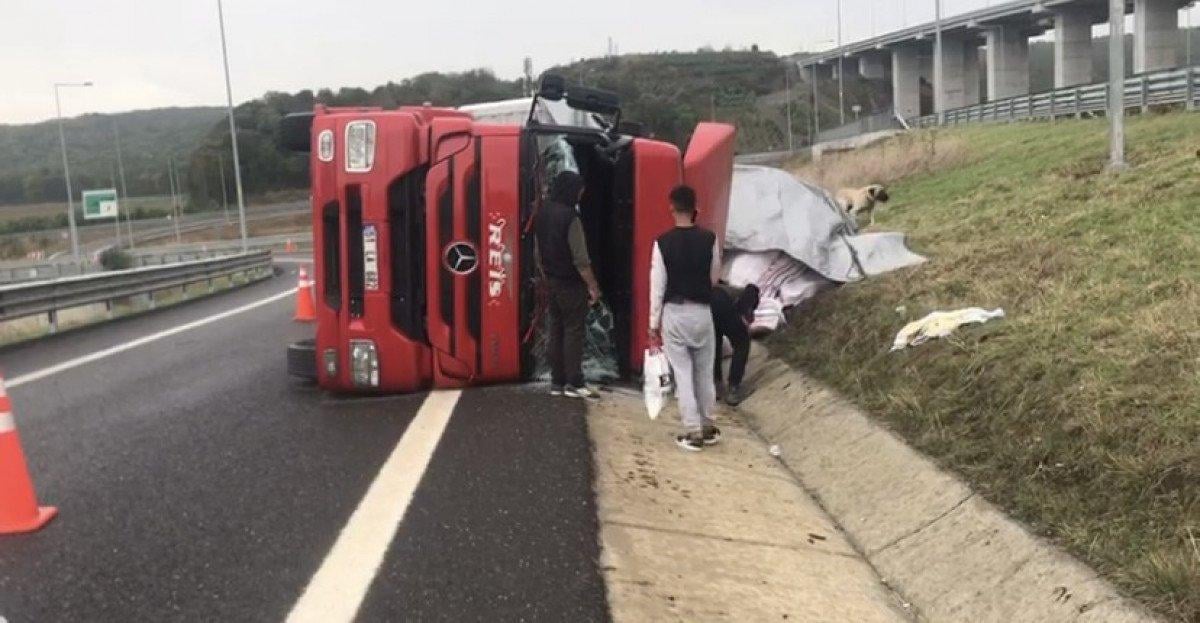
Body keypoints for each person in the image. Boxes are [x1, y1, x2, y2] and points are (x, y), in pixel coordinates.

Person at [649, 185, 722, 451]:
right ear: (695, 208)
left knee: (683, 373)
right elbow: (714, 277)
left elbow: (657, 287)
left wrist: (653, 324)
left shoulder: (662, 243)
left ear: (671, 207)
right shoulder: (710, 239)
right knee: (704, 372)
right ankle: (708, 424)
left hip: (675, 313)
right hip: (702, 312)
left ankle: (692, 431)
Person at [535, 171, 602, 399]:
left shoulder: (544, 212)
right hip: (571, 284)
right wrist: (593, 286)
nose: (581, 195)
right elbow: (581, 259)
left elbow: (538, 251)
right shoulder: (571, 217)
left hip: (551, 281)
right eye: (580, 191)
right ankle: (575, 382)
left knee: (556, 330)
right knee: (573, 331)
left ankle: (557, 382)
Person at [711, 283, 760, 406]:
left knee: (715, 344)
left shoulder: (731, 289)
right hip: (723, 302)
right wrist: (745, 319)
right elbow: (751, 293)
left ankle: (715, 385)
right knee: (742, 342)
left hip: (708, 305)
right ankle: (733, 388)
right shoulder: (749, 293)